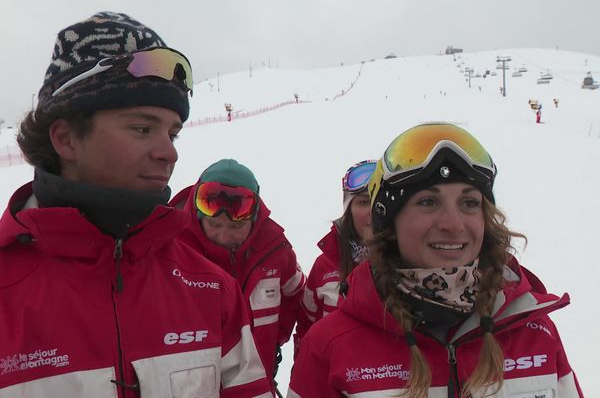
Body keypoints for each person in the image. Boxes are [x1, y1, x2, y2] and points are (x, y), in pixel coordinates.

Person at [0, 12, 272, 397]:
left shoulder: (210, 289)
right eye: (142, 129)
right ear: (66, 139)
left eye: (172, 133)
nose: (168, 153)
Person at [288, 123, 583, 397]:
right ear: (389, 224)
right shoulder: (330, 347)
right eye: (428, 202)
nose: (453, 224)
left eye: (469, 203)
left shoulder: (535, 332)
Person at [170, 159, 307, 395]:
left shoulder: (275, 250)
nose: (222, 236)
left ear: (254, 222)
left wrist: (276, 336)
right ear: (196, 215)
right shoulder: (172, 254)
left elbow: (298, 294)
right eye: (213, 224)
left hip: (257, 387)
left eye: (235, 228)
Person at [300, 160, 376, 328]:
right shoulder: (325, 266)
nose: (372, 210)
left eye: (377, 201)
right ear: (348, 211)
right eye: (363, 202)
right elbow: (307, 326)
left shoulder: (411, 261)